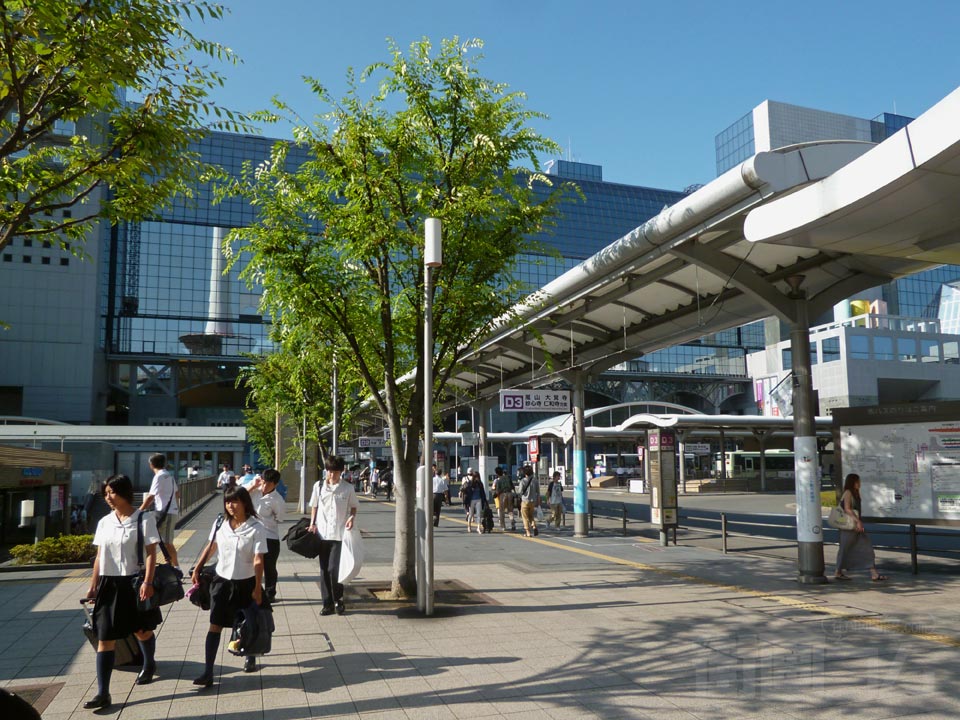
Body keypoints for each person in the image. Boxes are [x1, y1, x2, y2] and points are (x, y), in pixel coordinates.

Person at [83, 474, 162, 710]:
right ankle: (103, 693)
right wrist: (94, 585)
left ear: (125, 493)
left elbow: (151, 554)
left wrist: (148, 582)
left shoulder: (144, 519)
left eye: (112, 492)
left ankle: (148, 663)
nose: (108, 497)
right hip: (109, 585)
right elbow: (100, 556)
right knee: (105, 637)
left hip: (134, 583)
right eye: (105, 493)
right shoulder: (104, 522)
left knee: (142, 631)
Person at [190, 486, 267, 685]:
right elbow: (211, 546)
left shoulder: (256, 527)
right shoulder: (220, 523)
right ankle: (208, 671)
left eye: (235, 501)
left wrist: (257, 587)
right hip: (222, 582)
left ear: (245, 503)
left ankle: (250, 656)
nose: (230, 506)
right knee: (215, 624)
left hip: (246, 583)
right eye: (227, 502)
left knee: (247, 623)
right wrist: (198, 567)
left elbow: (258, 559)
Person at [308, 455, 358, 615]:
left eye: (335, 472)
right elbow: (314, 506)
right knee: (324, 569)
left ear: (341, 471)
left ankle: (338, 599)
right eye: (329, 471)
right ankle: (327, 603)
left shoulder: (347, 488)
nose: (332, 475)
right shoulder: (319, 486)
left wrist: (351, 517)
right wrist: (312, 523)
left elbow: (354, 507)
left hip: (339, 534)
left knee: (334, 569)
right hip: (322, 534)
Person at [835, 473, 887, 582]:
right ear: (852, 482)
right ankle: (838, 572)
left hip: (855, 526)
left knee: (866, 548)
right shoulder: (848, 492)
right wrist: (858, 521)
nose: (859, 483)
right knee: (845, 548)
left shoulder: (855, 493)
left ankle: (874, 573)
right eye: (857, 481)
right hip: (850, 526)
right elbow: (847, 509)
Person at [139, 453, 181, 571]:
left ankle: (176, 568)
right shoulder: (169, 476)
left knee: (165, 541)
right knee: (160, 540)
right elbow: (177, 494)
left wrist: (139, 511)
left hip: (164, 512)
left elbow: (150, 496)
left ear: (151, 465)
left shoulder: (159, 476)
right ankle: (170, 564)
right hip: (169, 511)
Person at [252, 468, 286, 602]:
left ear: (275, 484)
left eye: (268, 484)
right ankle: (253, 591)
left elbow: (280, 518)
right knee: (251, 565)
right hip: (251, 535)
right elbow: (239, 496)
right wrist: (253, 486)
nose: (264, 486)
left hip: (269, 536)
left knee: (269, 566)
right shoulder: (254, 490)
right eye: (264, 482)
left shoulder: (277, 500)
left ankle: (270, 593)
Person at [519, 465, 541, 537]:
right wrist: (538, 501)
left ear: (525, 473)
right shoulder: (535, 480)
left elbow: (520, 492)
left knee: (525, 517)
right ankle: (534, 526)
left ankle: (528, 532)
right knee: (531, 515)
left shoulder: (523, 481)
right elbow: (538, 492)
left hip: (525, 501)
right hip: (533, 501)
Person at [493, 466, 516, 532]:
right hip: (510, 494)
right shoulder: (508, 478)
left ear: (497, 473)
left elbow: (497, 491)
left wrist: (494, 495)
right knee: (510, 510)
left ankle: (503, 526)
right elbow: (513, 487)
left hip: (503, 495)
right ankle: (512, 521)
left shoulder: (499, 480)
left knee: (501, 511)